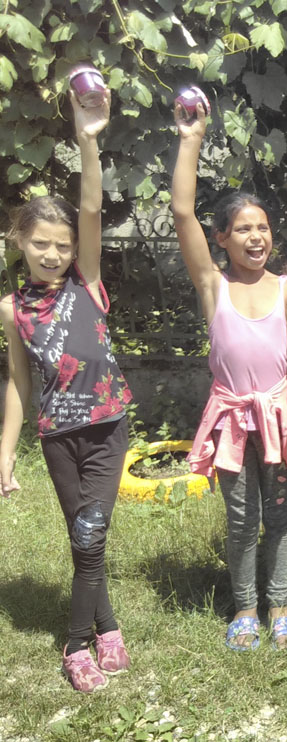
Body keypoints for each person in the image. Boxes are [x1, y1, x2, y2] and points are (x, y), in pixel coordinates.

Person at [0, 88, 133, 692]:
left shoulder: (88, 281)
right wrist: (5, 451)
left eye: (61, 244)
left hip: (107, 427)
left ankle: (76, 645)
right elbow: (19, 384)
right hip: (57, 438)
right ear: (17, 242)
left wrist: (87, 138)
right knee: (85, 536)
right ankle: (108, 627)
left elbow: (90, 208)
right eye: (40, 243)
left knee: (89, 532)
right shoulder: (12, 309)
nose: (53, 252)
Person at [171, 102, 287, 651]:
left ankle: (280, 604)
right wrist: (192, 138)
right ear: (222, 240)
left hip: (281, 421)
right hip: (232, 419)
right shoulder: (214, 288)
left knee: (279, 516)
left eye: (263, 228)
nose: (256, 237)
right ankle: (245, 609)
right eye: (243, 230)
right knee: (242, 518)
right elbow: (182, 213)